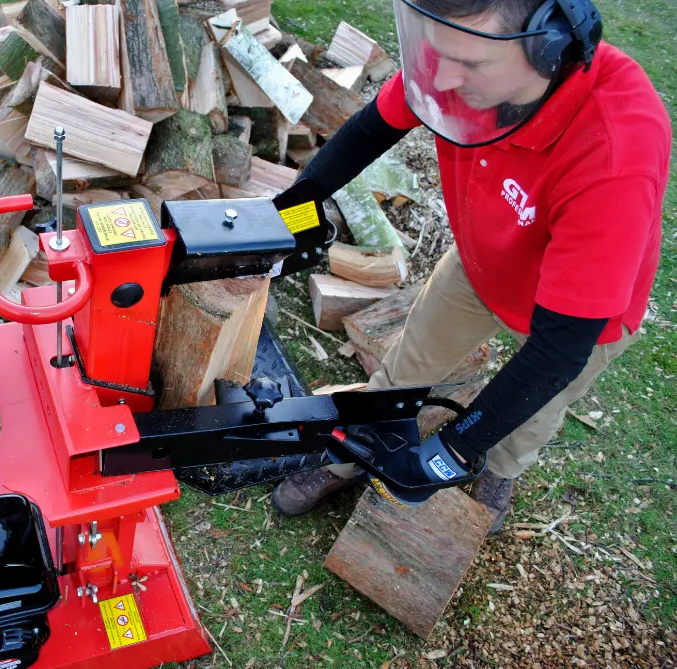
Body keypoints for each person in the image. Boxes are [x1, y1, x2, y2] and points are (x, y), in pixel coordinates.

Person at [271, 0, 671, 533]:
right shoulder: (458, 54)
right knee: (406, 367)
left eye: (473, 65)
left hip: (585, 313)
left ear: (547, 48)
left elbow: (558, 351)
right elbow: (369, 132)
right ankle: (350, 455)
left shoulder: (616, 148)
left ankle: (500, 470)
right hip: (485, 260)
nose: (443, 78)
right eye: (437, 53)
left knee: (534, 411)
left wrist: (452, 452)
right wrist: (287, 219)